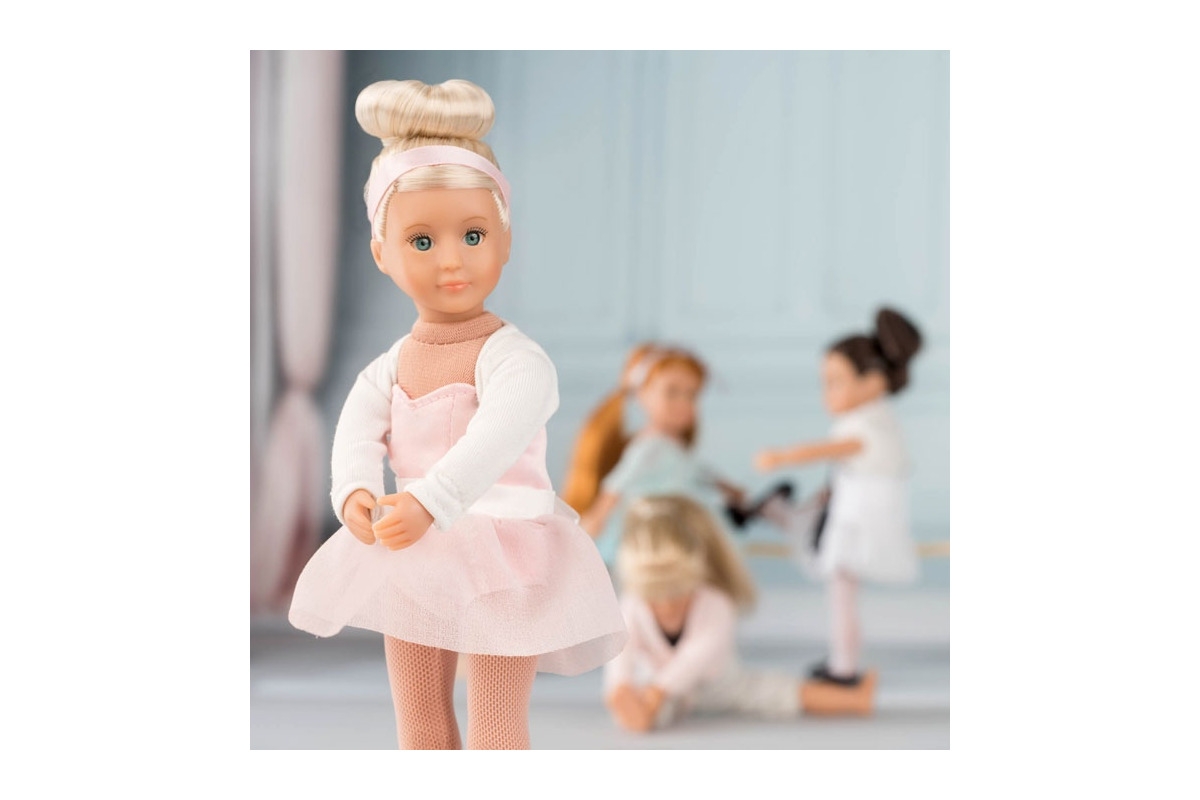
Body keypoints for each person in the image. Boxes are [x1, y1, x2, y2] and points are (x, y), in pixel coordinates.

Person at [287, 78, 626, 750]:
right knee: (419, 720)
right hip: (414, 552)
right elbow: (357, 432)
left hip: (505, 554)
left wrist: (429, 500)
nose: (451, 261)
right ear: (382, 253)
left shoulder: (516, 360)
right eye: (421, 241)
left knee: (496, 724)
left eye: (473, 235)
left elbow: (495, 439)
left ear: (505, 240)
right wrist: (354, 490)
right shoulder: (390, 365)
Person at [604, 495, 875, 732]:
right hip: (655, 685)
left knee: (776, 690)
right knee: (644, 708)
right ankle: (643, 714)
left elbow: (696, 656)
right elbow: (621, 650)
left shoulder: (716, 604)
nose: (666, 604)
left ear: (695, 574)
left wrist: (660, 690)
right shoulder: (632, 605)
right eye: (654, 594)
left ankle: (854, 699)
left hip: (719, 685)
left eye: (676, 592)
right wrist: (621, 687)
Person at [755, 307, 923, 689]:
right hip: (854, 518)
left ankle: (844, 666)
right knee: (842, 595)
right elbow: (848, 468)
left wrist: (781, 456)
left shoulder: (866, 426)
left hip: (858, 527)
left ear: (873, 381)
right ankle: (842, 661)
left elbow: (830, 450)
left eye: (835, 383)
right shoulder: (874, 421)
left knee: (842, 595)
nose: (827, 394)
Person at [562, 344, 791, 566]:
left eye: (692, 395)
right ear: (642, 394)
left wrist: (728, 488)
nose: (683, 403)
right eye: (672, 392)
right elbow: (617, 484)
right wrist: (595, 520)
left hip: (679, 524)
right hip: (656, 531)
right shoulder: (649, 447)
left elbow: (698, 471)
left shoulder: (672, 446)